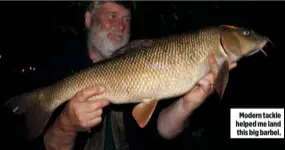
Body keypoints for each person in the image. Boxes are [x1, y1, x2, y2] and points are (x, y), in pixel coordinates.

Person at [32, 1, 237, 150]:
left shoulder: (145, 65)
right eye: (112, 16)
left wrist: (187, 104)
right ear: (88, 19)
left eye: (126, 19)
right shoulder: (58, 69)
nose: (121, 25)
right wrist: (65, 126)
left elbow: (162, 130)